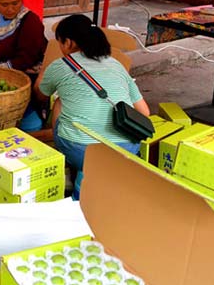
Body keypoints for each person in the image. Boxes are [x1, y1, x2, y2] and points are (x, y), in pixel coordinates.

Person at [36, 14, 149, 199]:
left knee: (60, 100)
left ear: (69, 42)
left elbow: (41, 95)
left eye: (60, 43)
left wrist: (43, 76)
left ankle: (79, 174)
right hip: (127, 148)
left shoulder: (60, 65)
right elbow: (144, 112)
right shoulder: (116, 65)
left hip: (80, 150)